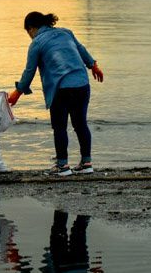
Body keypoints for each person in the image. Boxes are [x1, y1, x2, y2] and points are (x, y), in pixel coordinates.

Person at [8, 12, 104, 176]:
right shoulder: (66, 32)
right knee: (80, 124)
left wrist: (18, 92)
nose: (30, 36)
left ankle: (62, 166)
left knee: (59, 127)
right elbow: (81, 50)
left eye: (28, 32)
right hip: (82, 84)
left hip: (61, 88)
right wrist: (93, 66)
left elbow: (29, 71)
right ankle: (86, 163)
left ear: (31, 28)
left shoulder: (37, 43)